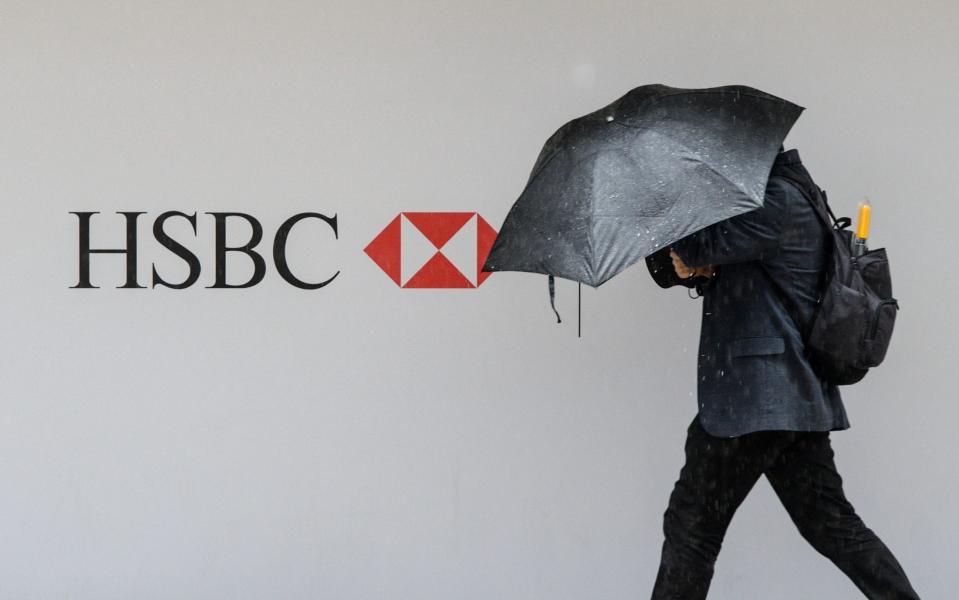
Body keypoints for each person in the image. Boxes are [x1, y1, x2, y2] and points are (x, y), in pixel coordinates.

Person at [643, 148, 921, 599]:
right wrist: (694, 264)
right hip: (790, 399)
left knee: (692, 524)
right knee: (832, 525)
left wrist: (663, 207)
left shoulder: (774, 199)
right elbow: (685, 266)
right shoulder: (783, 196)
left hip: (755, 400)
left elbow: (692, 246)